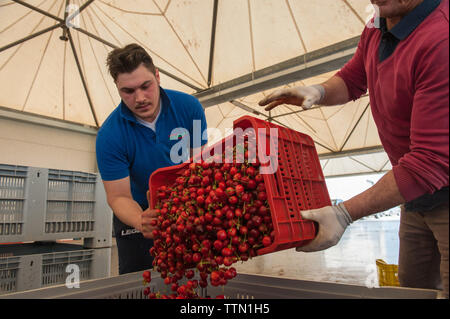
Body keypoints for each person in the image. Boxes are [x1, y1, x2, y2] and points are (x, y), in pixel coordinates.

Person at [259, 0, 448, 298]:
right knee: (414, 287)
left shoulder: (441, 39)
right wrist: (319, 92)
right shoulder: (380, 19)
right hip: (415, 194)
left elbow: (429, 163)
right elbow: (354, 77)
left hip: (439, 183)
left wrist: (344, 213)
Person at [96, 43, 208, 275]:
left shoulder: (189, 108)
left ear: (157, 76)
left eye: (146, 86)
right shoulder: (109, 135)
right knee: (140, 278)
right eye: (128, 91)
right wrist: (140, 219)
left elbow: (200, 166)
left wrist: (196, 206)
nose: (139, 98)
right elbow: (118, 196)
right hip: (137, 210)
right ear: (117, 88)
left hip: (181, 204)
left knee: (190, 273)